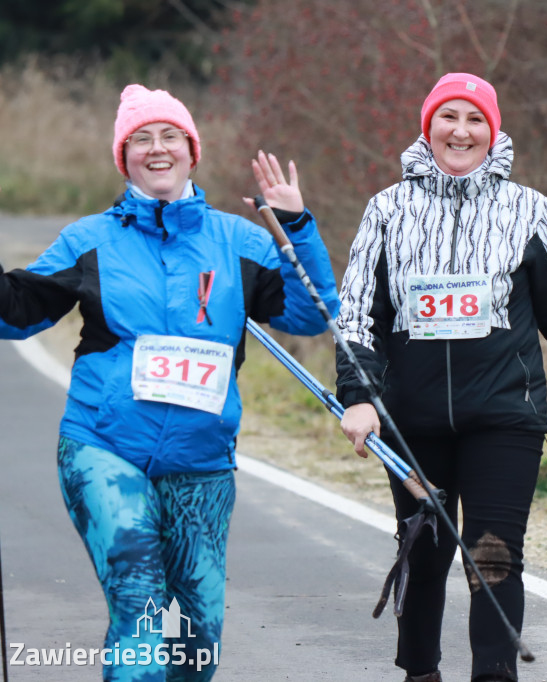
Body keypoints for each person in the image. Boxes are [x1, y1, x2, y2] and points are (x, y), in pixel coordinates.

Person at [0, 84, 340, 681]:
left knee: (196, 635)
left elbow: (310, 315)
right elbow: (17, 312)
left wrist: (296, 227)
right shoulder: (90, 241)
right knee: (140, 604)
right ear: (123, 157)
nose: (157, 149)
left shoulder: (241, 241)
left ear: (192, 151)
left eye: (170, 136)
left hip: (202, 463)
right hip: (103, 447)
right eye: (140, 140)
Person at [335, 72, 547, 682]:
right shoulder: (387, 210)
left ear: (493, 130)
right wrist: (362, 398)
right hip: (413, 421)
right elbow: (357, 317)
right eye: (449, 117)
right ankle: (420, 672)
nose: (461, 130)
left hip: (506, 417)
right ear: (429, 126)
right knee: (425, 552)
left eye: (475, 119)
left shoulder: (529, 209)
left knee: (494, 557)